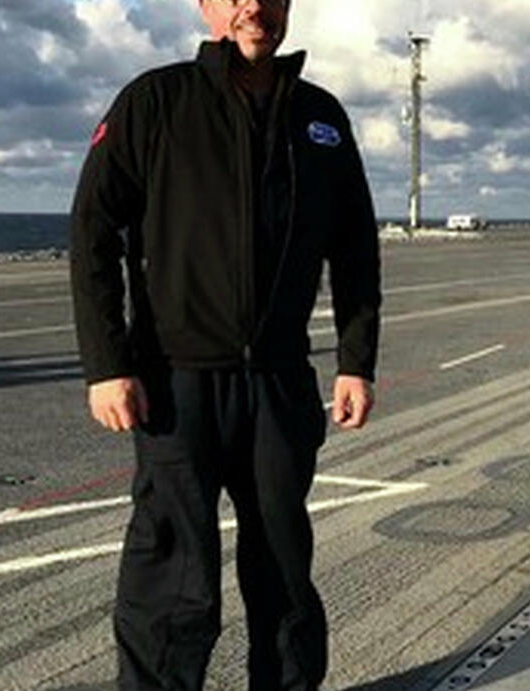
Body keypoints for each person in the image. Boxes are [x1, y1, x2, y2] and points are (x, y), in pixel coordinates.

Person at [68, 0, 382, 688]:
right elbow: (92, 229)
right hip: (174, 383)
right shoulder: (155, 102)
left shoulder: (320, 117)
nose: (254, 8)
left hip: (278, 380)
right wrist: (106, 364)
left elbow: (355, 244)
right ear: (207, 7)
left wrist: (356, 361)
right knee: (174, 576)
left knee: (283, 568)